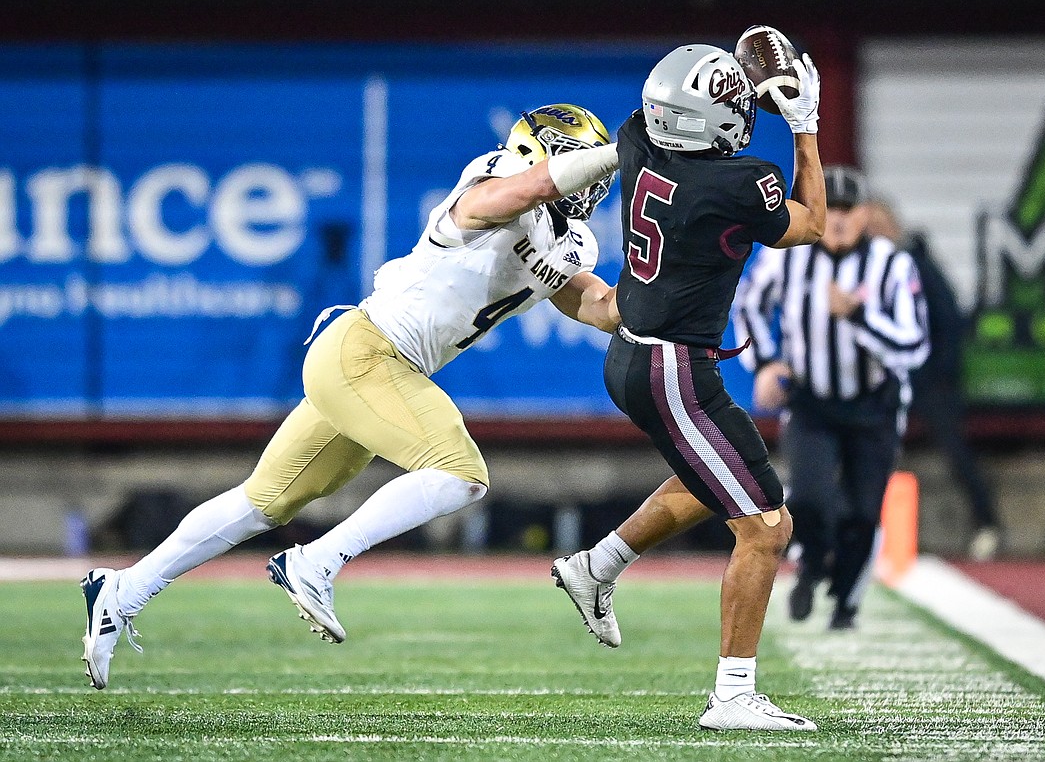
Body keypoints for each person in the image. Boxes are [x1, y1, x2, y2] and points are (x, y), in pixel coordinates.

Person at [80, 103, 622, 690]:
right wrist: (625, 148)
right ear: (532, 151)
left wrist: (673, 299)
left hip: (375, 367)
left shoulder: (575, 245)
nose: (592, 179)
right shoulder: (489, 180)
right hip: (366, 351)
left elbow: (598, 307)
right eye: (580, 164)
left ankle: (122, 589)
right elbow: (517, 195)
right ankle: (316, 561)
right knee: (459, 472)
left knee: (262, 503)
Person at [551, 40, 827, 731]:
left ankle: (597, 564)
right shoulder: (740, 183)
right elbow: (812, 221)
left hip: (632, 354)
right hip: (673, 369)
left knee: (716, 478)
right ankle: (733, 695)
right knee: (766, 524)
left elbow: (679, 107)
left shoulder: (639, 139)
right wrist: (805, 124)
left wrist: (726, 83)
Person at [733, 166, 929, 631]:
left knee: (864, 511)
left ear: (866, 215)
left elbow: (913, 344)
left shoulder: (891, 264)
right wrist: (764, 362)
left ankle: (846, 604)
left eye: (848, 210)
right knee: (814, 498)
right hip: (812, 402)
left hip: (874, 404)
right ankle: (812, 565)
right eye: (831, 208)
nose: (838, 220)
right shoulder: (788, 257)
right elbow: (748, 304)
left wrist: (860, 316)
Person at [866, 199, 1002, 560]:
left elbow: (948, 318)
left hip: (927, 381)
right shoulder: (858, 269)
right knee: (867, 452)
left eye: (881, 225)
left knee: (956, 453)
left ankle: (986, 524)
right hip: (880, 382)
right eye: (870, 227)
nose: (875, 234)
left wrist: (938, 372)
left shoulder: (916, 265)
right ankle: (865, 533)